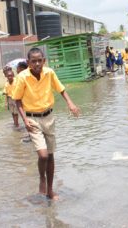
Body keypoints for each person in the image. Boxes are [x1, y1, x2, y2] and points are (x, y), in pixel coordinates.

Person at [12, 47, 80, 200]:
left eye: (39, 60)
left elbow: (61, 89)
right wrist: (24, 120)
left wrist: (71, 103)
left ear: (44, 60)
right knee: (42, 155)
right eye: (33, 61)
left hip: (49, 117)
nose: (37, 64)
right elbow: (17, 100)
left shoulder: (49, 73)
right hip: (32, 119)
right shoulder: (22, 77)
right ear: (28, 63)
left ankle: (50, 190)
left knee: (50, 155)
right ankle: (42, 177)